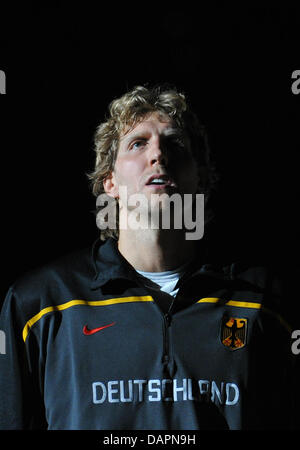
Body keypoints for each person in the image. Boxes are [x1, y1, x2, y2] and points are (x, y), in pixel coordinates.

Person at [0, 84, 298, 430]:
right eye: (138, 143)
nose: (158, 154)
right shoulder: (40, 304)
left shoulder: (267, 301)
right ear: (109, 180)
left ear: (201, 179)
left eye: (175, 144)